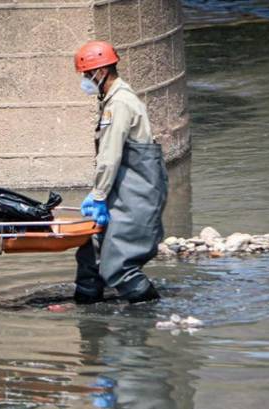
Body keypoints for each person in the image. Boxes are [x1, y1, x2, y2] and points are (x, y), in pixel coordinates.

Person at [72, 41, 168, 304]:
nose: (84, 80)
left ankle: (151, 312)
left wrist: (99, 195)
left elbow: (110, 155)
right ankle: (86, 310)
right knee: (89, 252)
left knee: (119, 266)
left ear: (101, 72)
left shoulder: (120, 103)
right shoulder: (112, 99)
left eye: (86, 74)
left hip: (137, 192)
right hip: (123, 187)